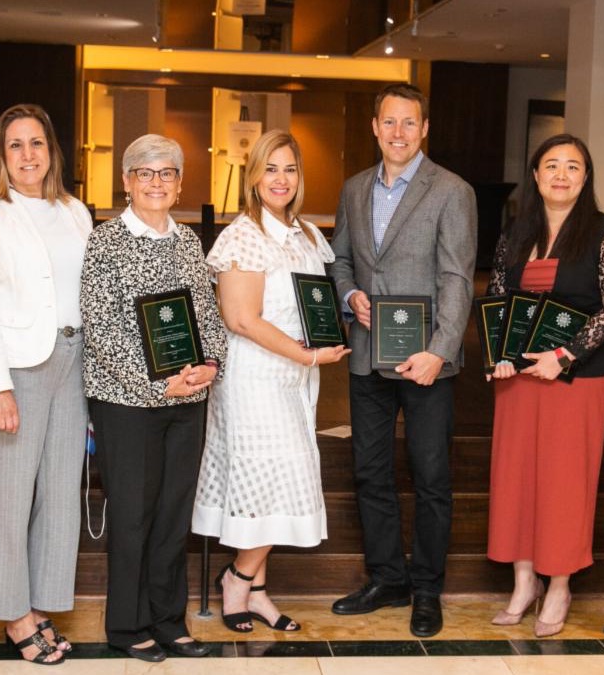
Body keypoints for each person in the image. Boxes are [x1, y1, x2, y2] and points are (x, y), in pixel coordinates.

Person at [329, 83, 478, 638]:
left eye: (408, 123)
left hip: (425, 362)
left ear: (424, 129)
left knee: (432, 476)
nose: (398, 133)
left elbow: (457, 278)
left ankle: (427, 590)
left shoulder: (452, 190)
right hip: (369, 357)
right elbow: (341, 259)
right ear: (374, 127)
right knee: (370, 474)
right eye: (388, 122)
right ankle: (387, 579)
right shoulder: (353, 189)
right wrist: (350, 296)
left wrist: (440, 351)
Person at [192, 129, 348, 633]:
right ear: (253, 176)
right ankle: (237, 579)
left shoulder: (305, 233)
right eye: (270, 169)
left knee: (276, 482)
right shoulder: (243, 236)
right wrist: (306, 355)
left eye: (290, 169)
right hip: (255, 378)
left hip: (293, 377)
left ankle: (257, 591)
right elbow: (241, 318)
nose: (280, 179)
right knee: (272, 480)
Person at [81, 134, 227, 661]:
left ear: (180, 182)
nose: (156, 183)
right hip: (127, 405)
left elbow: (207, 316)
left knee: (172, 515)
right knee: (133, 514)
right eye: (145, 173)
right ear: (126, 182)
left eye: (166, 173)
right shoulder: (105, 242)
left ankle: (169, 620)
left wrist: (211, 364)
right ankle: (127, 625)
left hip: (187, 401)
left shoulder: (188, 241)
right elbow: (101, 327)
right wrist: (153, 384)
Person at [0, 104, 92, 665]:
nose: (28, 155)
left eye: (37, 142)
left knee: (61, 496)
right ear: (0, 155)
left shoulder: (74, 210)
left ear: (51, 151)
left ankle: (43, 604)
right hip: (17, 366)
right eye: (15, 145)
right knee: (12, 500)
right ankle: (14, 616)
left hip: (73, 360)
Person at [485, 134, 604, 637]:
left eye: (573, 166)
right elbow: (498, 296)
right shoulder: (517, 230)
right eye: (552, 165)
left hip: (575, 377)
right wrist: (499, 357)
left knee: (566, 481)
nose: (562, 174)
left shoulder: (603, 231)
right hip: (518, 380)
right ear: (536, 173)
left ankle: (561, 583)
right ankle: (524, 582)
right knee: (517, 476)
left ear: (586, 177)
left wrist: (564, 355)